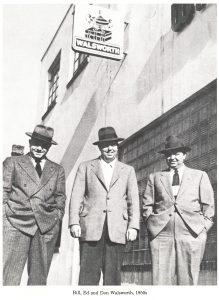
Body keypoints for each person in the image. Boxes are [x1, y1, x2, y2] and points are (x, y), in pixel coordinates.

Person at [69, 126, 140, 285]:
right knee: (87, 277)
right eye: (105, 145)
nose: (109, 148)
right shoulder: (86, 167)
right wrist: (74, 222)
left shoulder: (128, 170)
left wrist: (133, 226)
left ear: (117, 146)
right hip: (91, 228)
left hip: (117, 229)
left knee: (113, 279)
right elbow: (76, 197)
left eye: (113, 144)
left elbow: (133, 200)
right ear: (100, 147)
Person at [142, 135, 214, 285]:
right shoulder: (155, 177)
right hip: (161, 235)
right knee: (160, 281)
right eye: (168, 155)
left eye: (176, 154)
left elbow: (209, 206)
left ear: (185, 155)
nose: (172, 157)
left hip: (191, 234)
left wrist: (203, 229)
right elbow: (147, 205)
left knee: (188, 279)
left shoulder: (199, 176)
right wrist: (151, 224)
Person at [3, 124, 66, 285]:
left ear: (49, 147)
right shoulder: (13, 162)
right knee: (11, 275)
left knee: (39, 278)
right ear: (30, 143)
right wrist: (5, 215)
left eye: (44, 145)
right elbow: (4, 190)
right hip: (17, 222)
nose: (39, 148)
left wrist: (57, 217)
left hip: (45, 226)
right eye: (36, 143)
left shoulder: (57, 169)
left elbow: (60, 197)